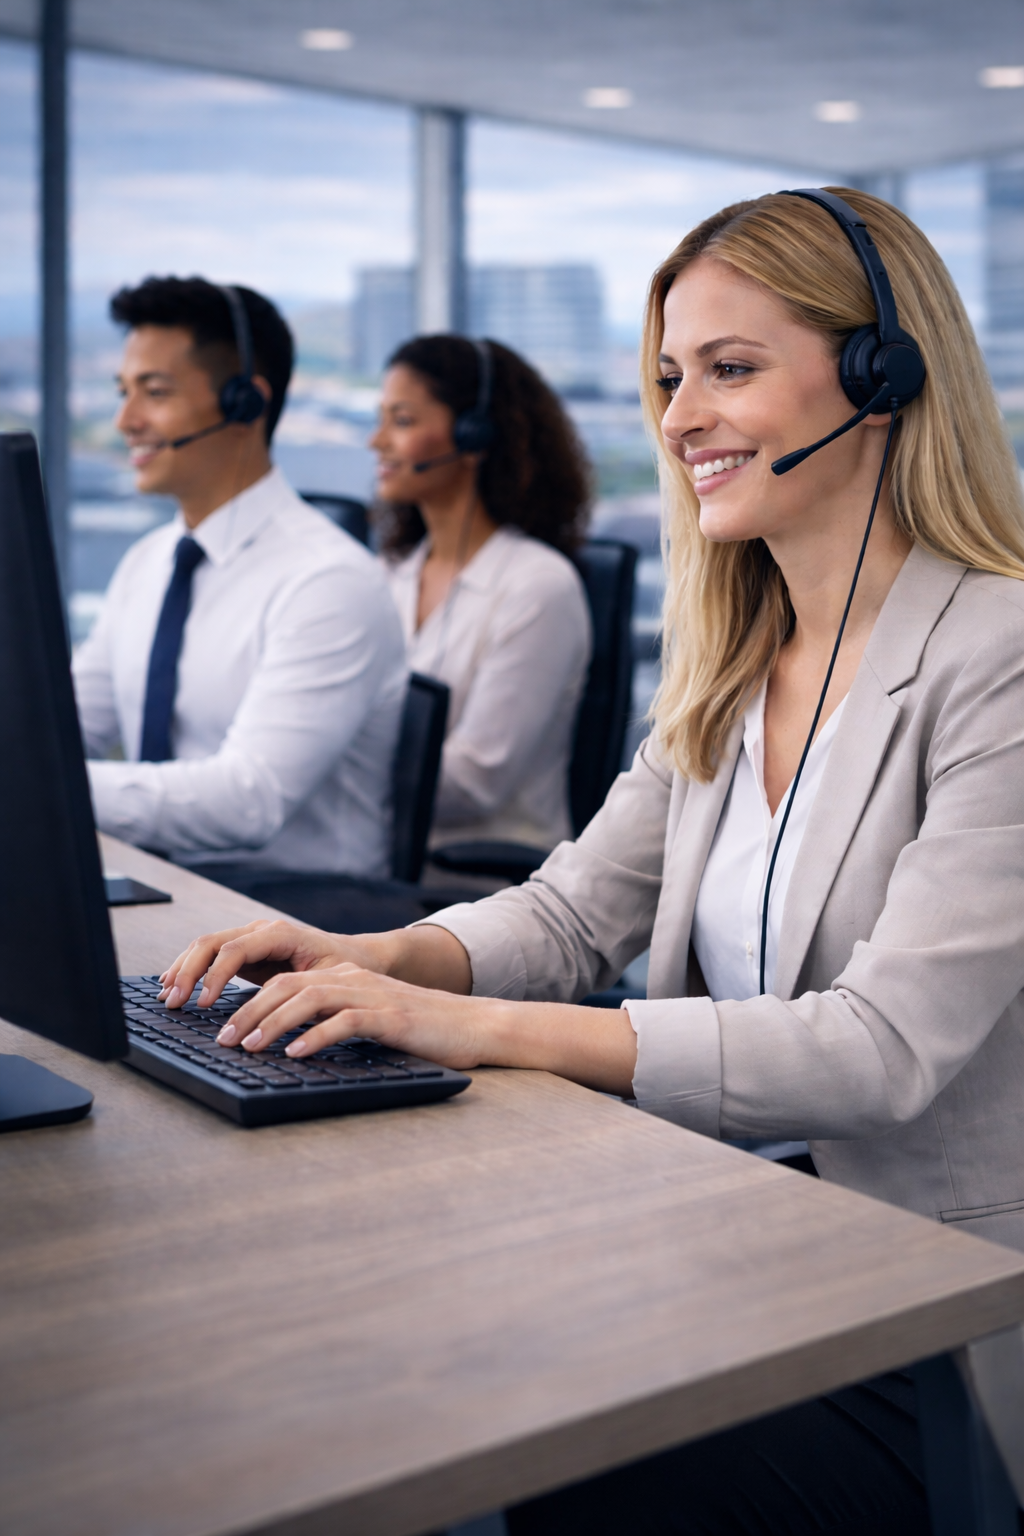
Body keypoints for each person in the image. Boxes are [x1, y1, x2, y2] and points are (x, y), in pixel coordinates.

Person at [161, 190, 1024, 1532]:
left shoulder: (1001, 659)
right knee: (371, 1338)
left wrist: (472, 1024)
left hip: (933, 1321)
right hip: (738, 1224)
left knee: (536, 1441)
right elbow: (572, 912)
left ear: (883, 378)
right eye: (672, 376)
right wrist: (376, 958)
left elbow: (877, 1054)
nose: (677, 418)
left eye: (731, 369)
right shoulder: (736, 658)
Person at [73, 276, 406, 880]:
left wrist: (46, 782)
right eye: (123, 391)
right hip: (166, 896)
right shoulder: (148, 562)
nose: (125, 420)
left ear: (244, 402)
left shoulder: (329, 582)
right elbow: (68, 724)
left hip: (295, 921)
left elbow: (250, 799)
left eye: (154, 392)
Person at [371, 334, 592, 853]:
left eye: (401, 421)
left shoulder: (538, 586)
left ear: (473, 436)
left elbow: (474, 785)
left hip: (478, 884)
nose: (376, 441)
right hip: (379, 860)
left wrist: (320, 753)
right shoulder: (388, 572)